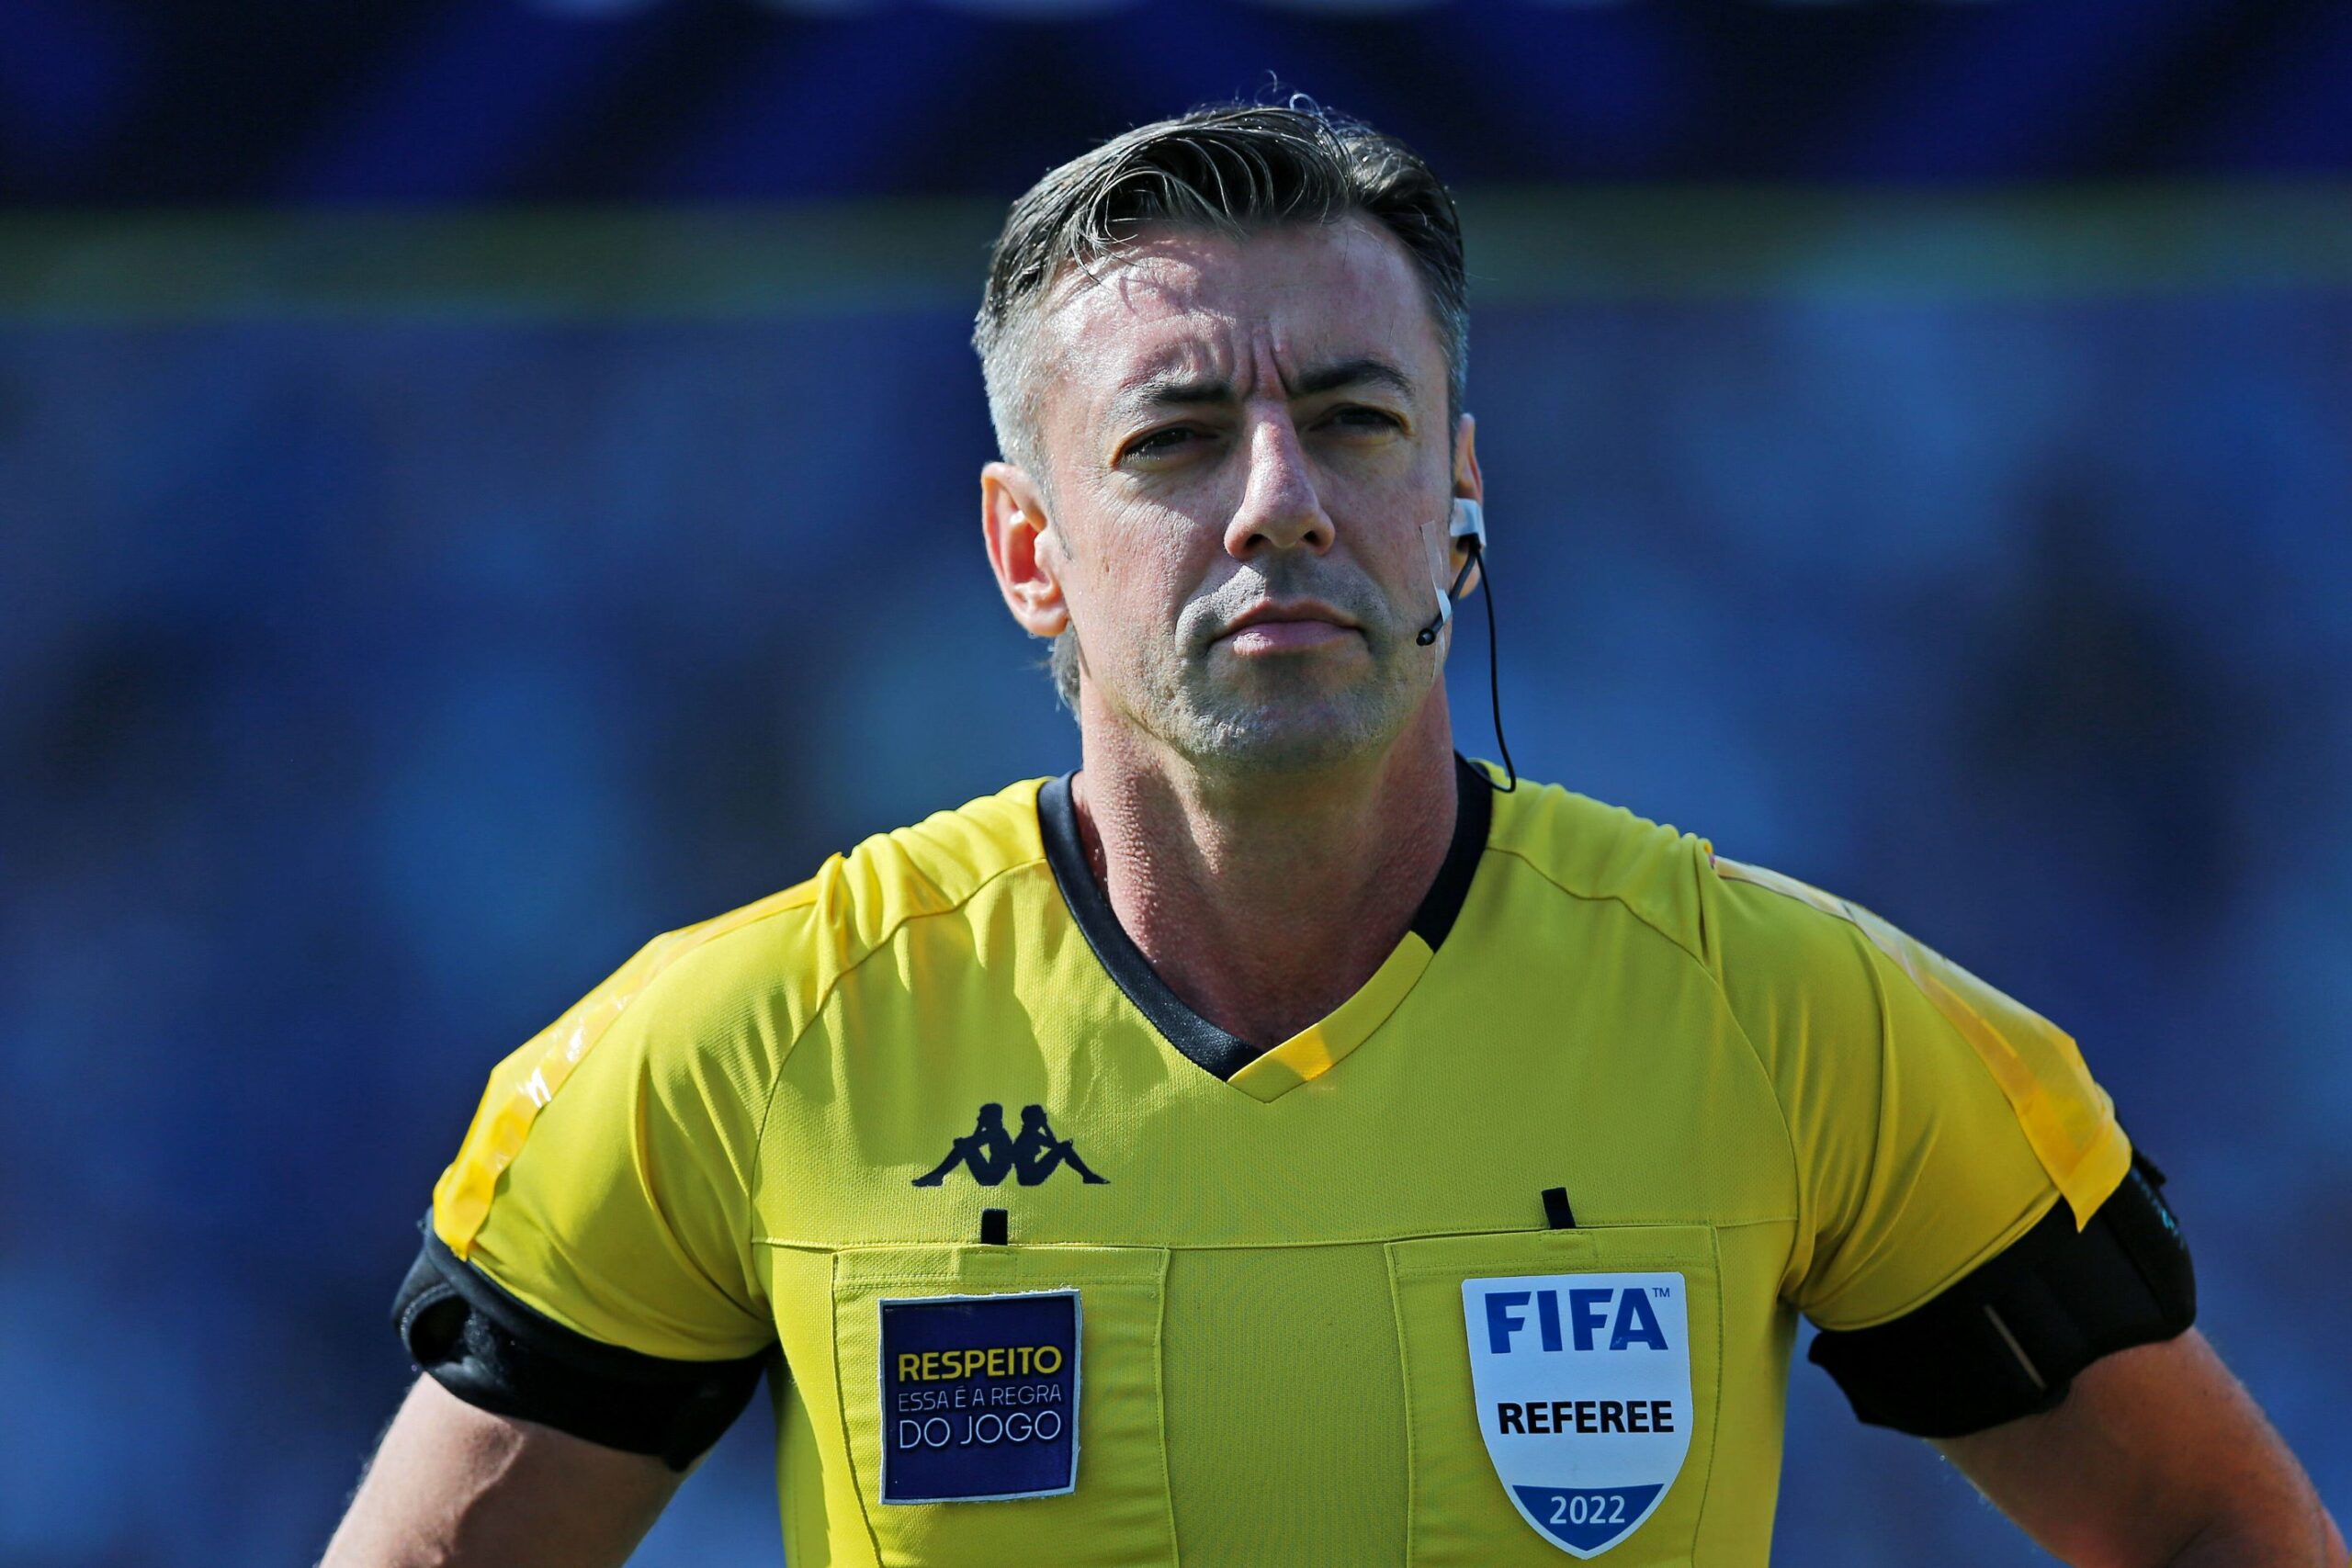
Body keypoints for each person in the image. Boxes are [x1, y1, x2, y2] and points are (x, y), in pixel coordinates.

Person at [323, 103, 2343, 1567]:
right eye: (1175, 436)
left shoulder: (1785, 1011)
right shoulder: (743, 1044)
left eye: (1357, 420)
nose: (1277, 494)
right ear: (1029, 549)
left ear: (1453, 493)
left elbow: (2205, 1526)